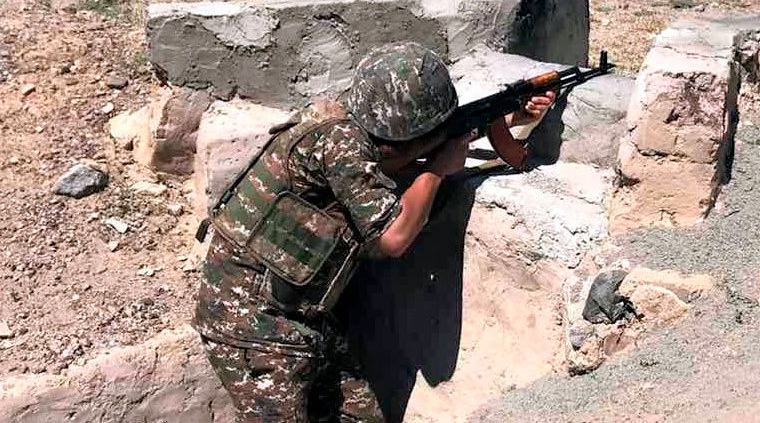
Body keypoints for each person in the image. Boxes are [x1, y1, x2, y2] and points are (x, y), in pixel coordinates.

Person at [193, 41, 555, 422]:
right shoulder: (340, 143)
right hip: (249, 321)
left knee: (361, 414)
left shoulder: (359, 125)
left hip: (305, 314)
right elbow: (394, 237)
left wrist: (508, 119)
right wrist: (438, 169)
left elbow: (402, 158)